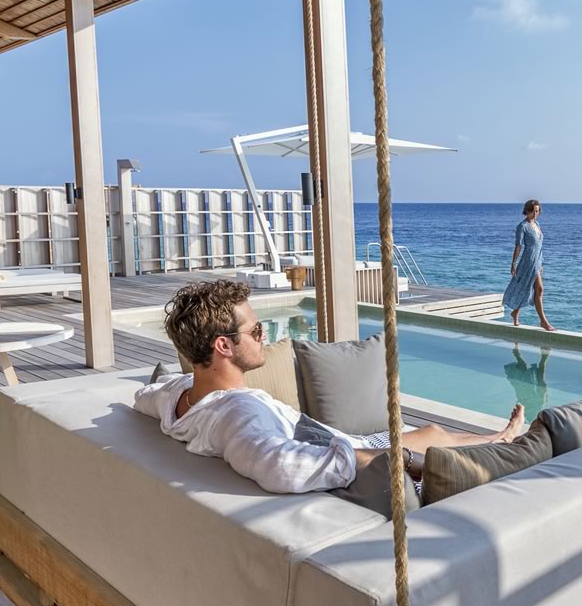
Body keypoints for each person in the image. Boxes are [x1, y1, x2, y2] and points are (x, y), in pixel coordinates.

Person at [135, 280, 526, 493]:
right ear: (223, 346)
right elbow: (281, 467)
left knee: (433, 430)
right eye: (255, 331)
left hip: (331, 439)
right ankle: (505, 442)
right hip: (350, 451)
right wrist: (401, 460)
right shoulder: (239, 412)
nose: (264, 336)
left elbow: (144, 396)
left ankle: (498, 436)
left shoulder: (178, 397)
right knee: (434, 438)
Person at [503, 199, 555, 331]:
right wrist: (513, 263)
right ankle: (543, 321)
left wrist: (541, 262)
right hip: (528, 261)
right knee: (538, 289)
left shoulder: (537, 224)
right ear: (526, 211)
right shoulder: (522, 226)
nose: (535, 213)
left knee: (528, 288)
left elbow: (539, 246)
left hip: (537, 261)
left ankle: (515, 312)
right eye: (532, 211)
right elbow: (518, 246)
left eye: (537, 211)